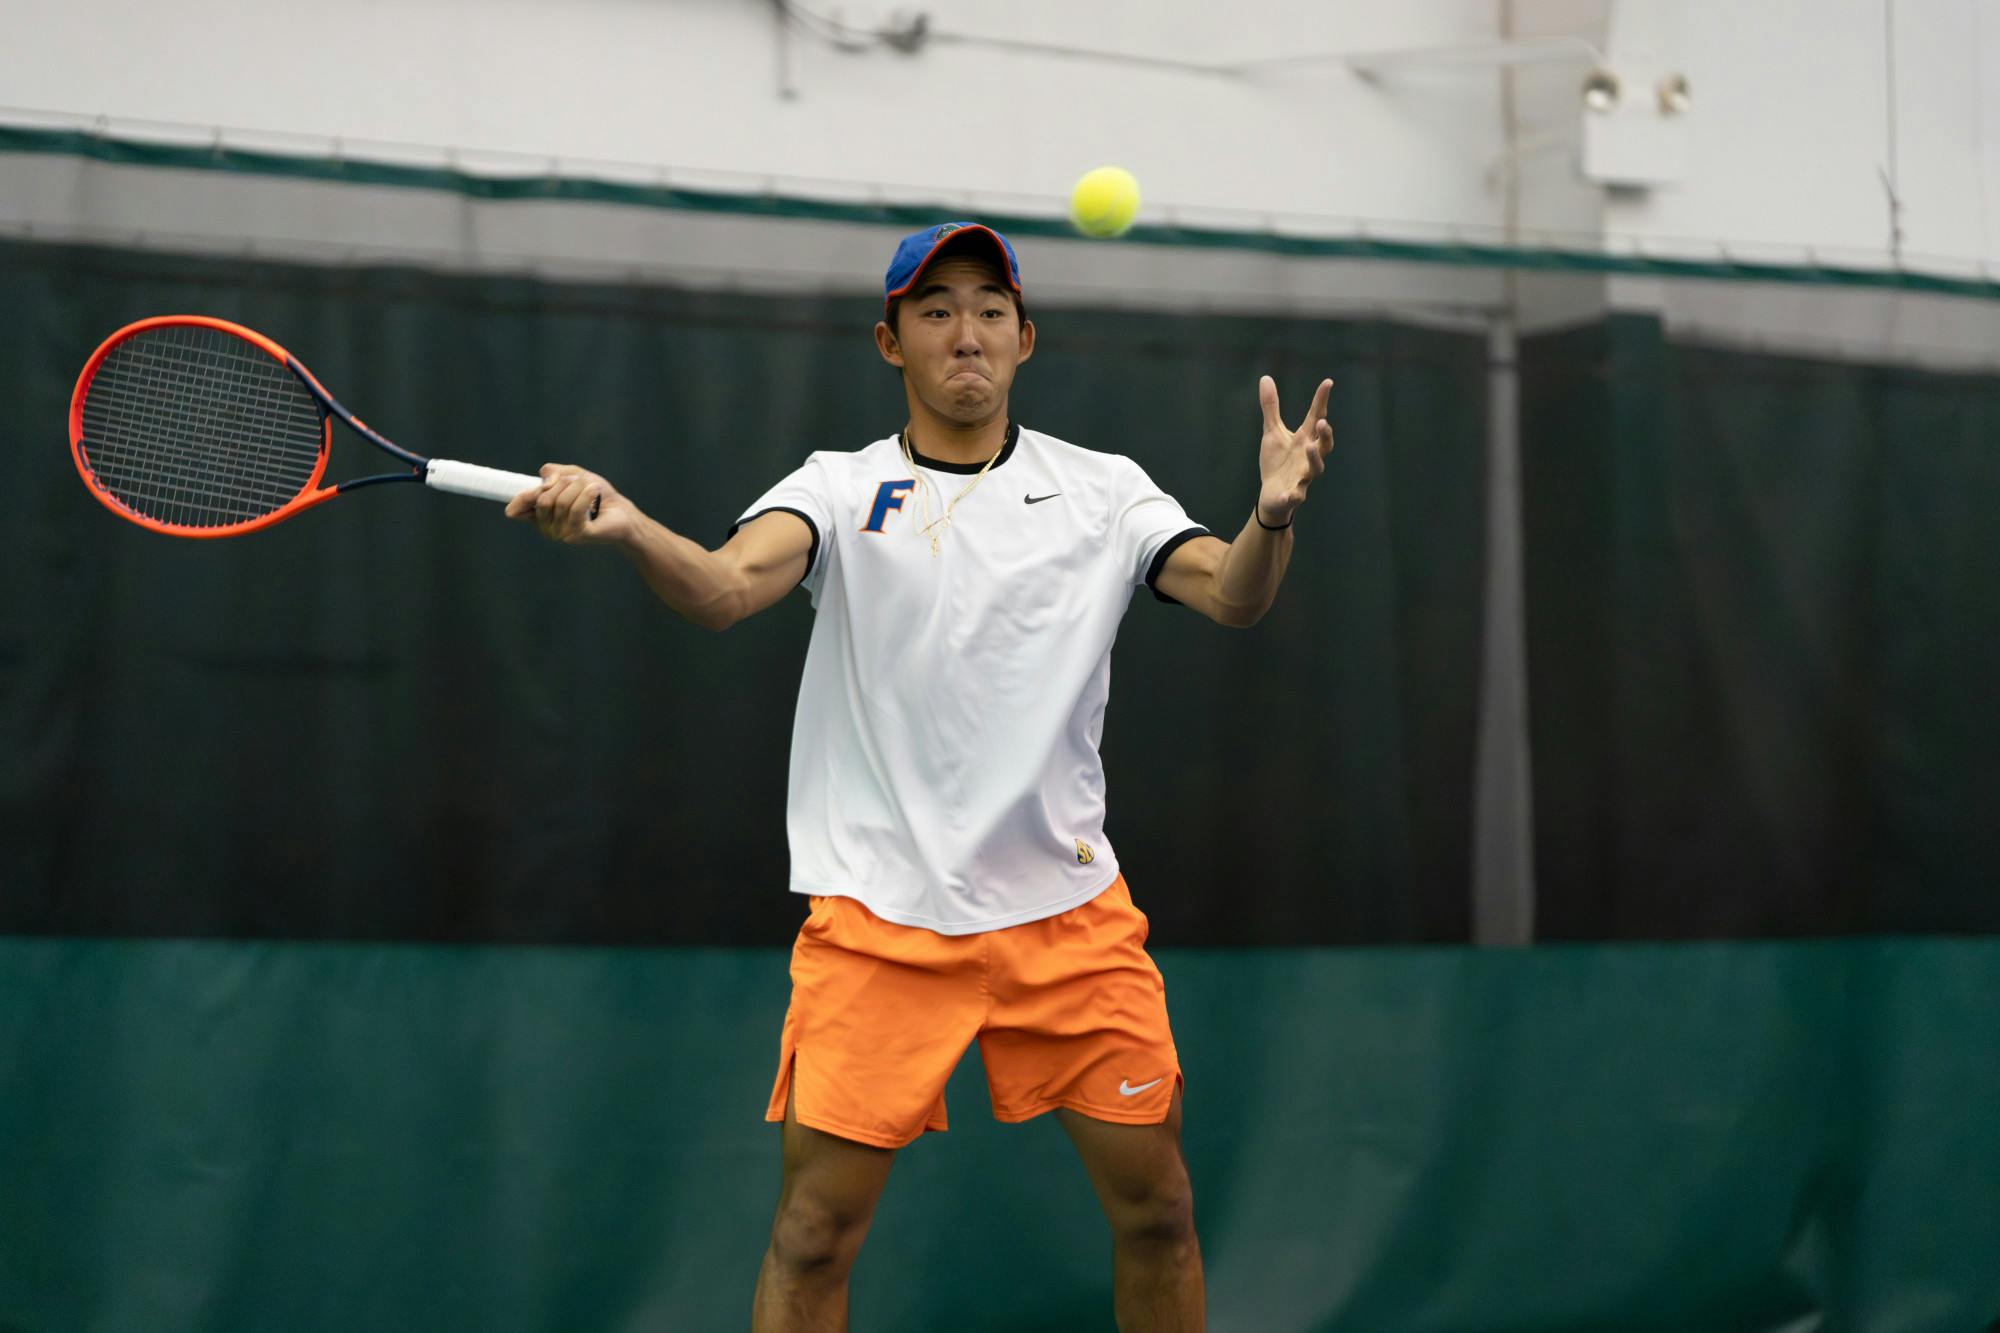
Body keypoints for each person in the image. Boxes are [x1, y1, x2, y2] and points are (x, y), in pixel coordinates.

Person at [507, 221, 1333, 1332]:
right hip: (879, 922)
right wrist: (629, 526)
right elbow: (717, 589)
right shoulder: (836, 490)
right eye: (935, 309)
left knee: (1159, 1214)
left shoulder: (1102, 492)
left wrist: (1269, 517)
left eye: (990, 310)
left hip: (1068, 922)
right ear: (889, 341)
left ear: (1025, 339)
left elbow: (1234, 594)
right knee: (811, 1234)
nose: (966, 333)